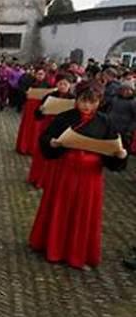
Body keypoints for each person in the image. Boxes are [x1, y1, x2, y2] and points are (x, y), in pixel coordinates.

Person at [28, 81, 128, 269]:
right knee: (60, 207)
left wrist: (120, 155)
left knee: (84, 213)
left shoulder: (106, 122)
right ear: (77, 100)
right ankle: (52, 246)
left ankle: (78, 253)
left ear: (99, 102)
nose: (87, 106)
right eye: (83, 101)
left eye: (92, 102)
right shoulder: (65, 117)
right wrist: (53, 143)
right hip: (66, 172)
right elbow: (46, 137)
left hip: (90, 177)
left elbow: (114, 148)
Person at [27, 73, 74, 189]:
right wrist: (40, 110)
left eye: (65, 84)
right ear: (56, 84)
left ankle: (53, 182)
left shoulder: (73, 99)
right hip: (47, 126)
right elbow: (38, 115)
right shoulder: (50, 96)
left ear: (70, 85)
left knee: (58, 157)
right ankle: (38, 178)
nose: (62, 86)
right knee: (42, 154)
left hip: (63, 130)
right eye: (60, 83)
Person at [16, 67, 51, 155]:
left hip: (40, 107)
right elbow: (21, 91)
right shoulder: (29, 82)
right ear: (35, 74)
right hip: (30, 106)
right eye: (38, 74)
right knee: (27, 126)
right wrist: (26, 93)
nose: (40, 76)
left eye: (42, 74)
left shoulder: (47, 85)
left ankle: (33, 148)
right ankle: (23, 147)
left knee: (37, 128)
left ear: (44, 75)